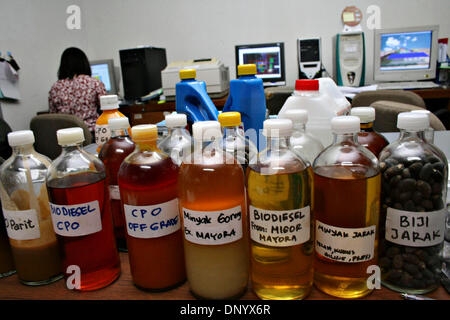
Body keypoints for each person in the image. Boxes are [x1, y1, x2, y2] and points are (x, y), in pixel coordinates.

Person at [48, 47, 106, 137]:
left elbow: (53, 116)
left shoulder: (55, 87)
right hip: (91, 134)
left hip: (66, 137)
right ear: (84, 63)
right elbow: (107, 109)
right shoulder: (94, 83)